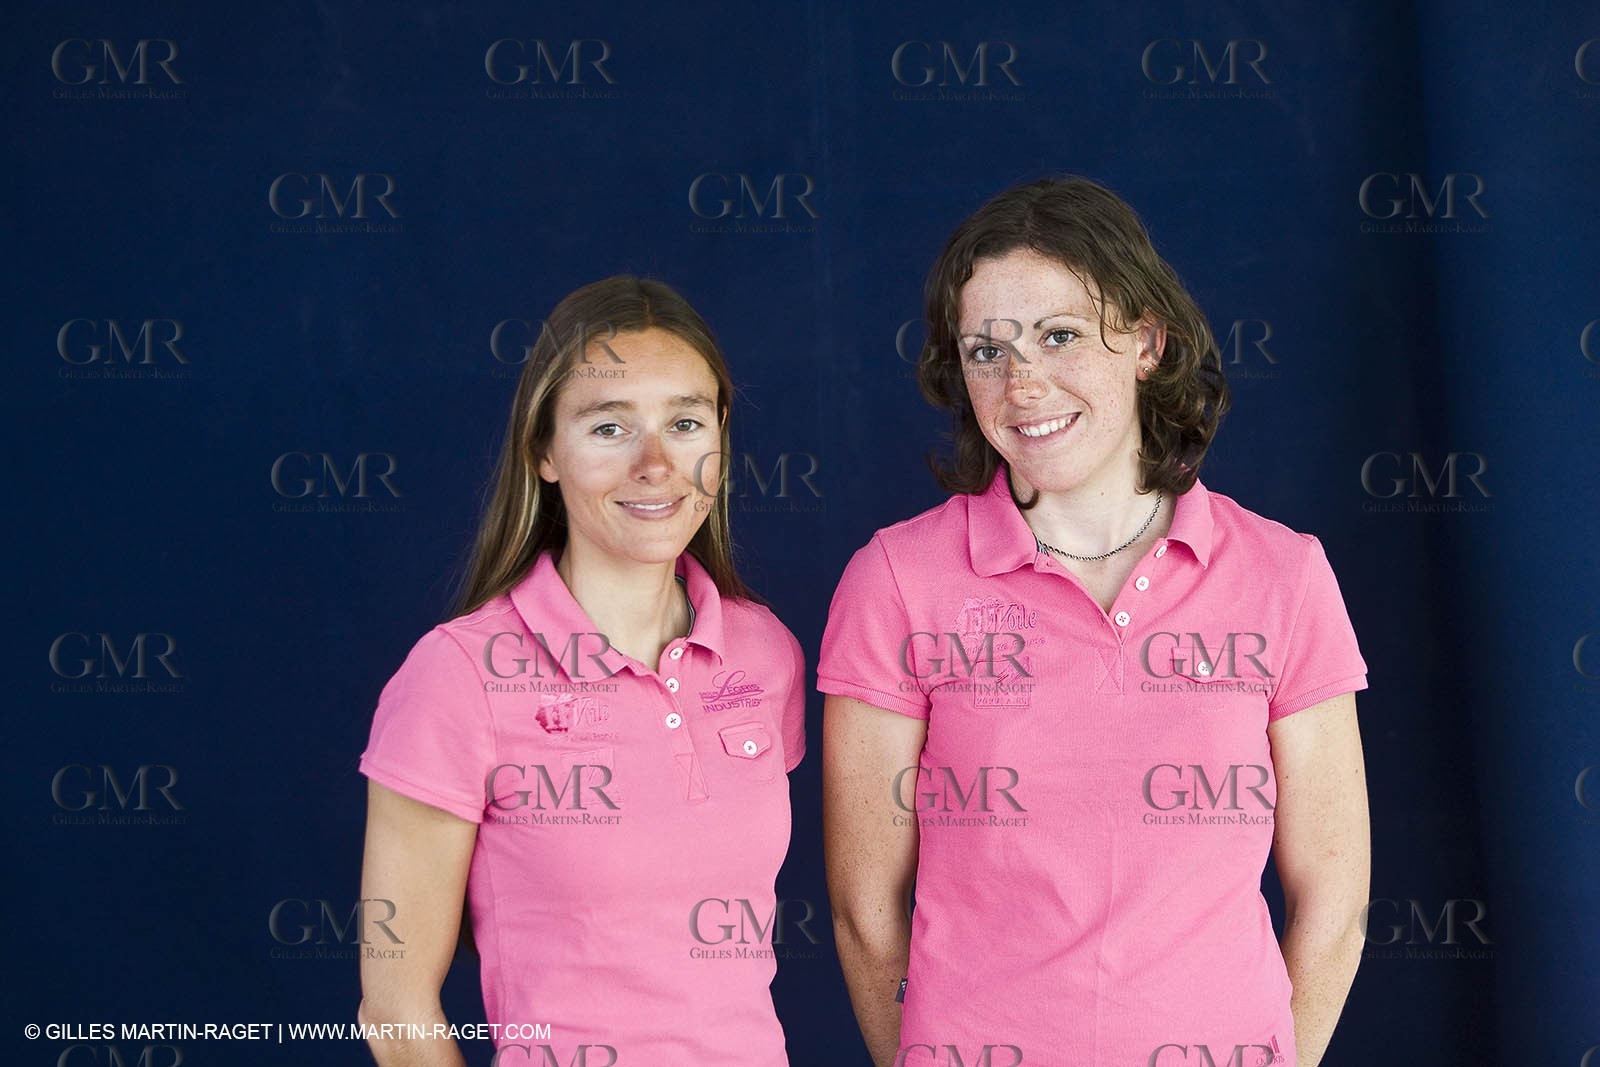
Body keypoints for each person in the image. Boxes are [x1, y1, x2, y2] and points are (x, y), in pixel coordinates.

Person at [820, 178, 1370, 1067]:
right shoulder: (897, 580)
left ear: (1147, 341)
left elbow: (1334, 896)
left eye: (1060, 335)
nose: (1023, 381)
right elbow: (862, 909)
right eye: (985, 349)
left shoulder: (1283, 575)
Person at [356, 276, 806, 1066]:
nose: (656, 463)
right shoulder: (457, 675)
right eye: (608, 427)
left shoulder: (764, 652)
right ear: (544, 450)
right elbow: (394, 1008)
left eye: (686, 422)